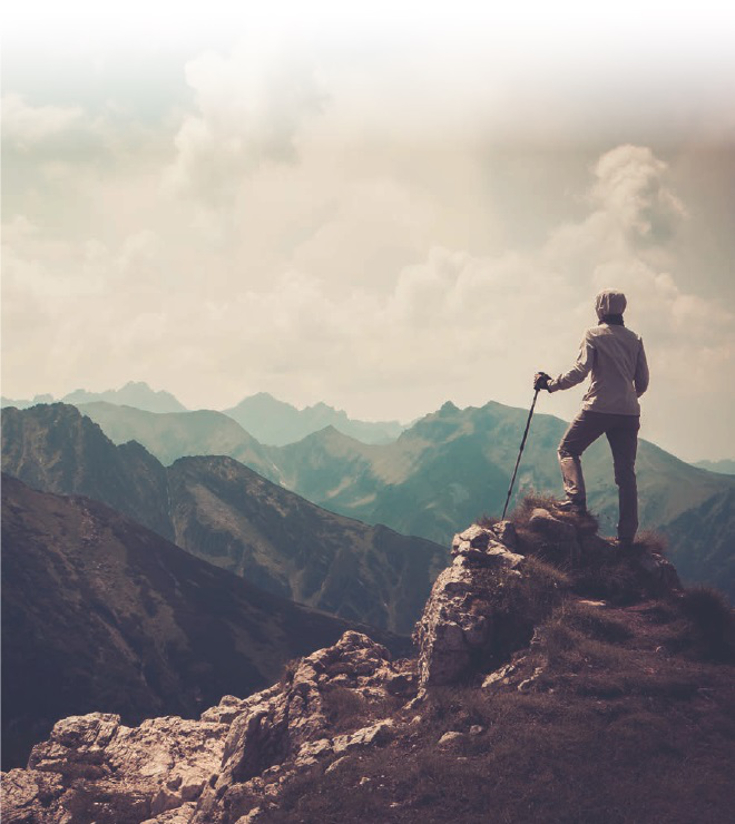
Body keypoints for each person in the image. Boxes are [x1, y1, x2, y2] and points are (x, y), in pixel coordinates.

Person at [534, 288, 649, 548]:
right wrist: (628, 397)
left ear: (600, 309)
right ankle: (627, 537)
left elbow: (580, 370)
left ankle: (576, 503)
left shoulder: (593, 334)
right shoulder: (635, 338)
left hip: (598, 407)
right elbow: (642, 381)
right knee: (625, 474)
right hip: (629, 412)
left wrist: (551, 384)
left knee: (568, 449)